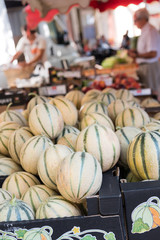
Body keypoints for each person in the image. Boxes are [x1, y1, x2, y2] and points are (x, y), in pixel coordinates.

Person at [128, 8, 160, 97]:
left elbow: (153, 53)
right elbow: (146, 50)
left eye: (135, 20)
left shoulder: (150, 31)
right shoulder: (144, 31)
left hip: (150, 67)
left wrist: (137, 55)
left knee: (153, 93)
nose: (135, 23)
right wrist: (136, 52)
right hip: (145, 66)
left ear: (143, 19)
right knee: (147, 92)